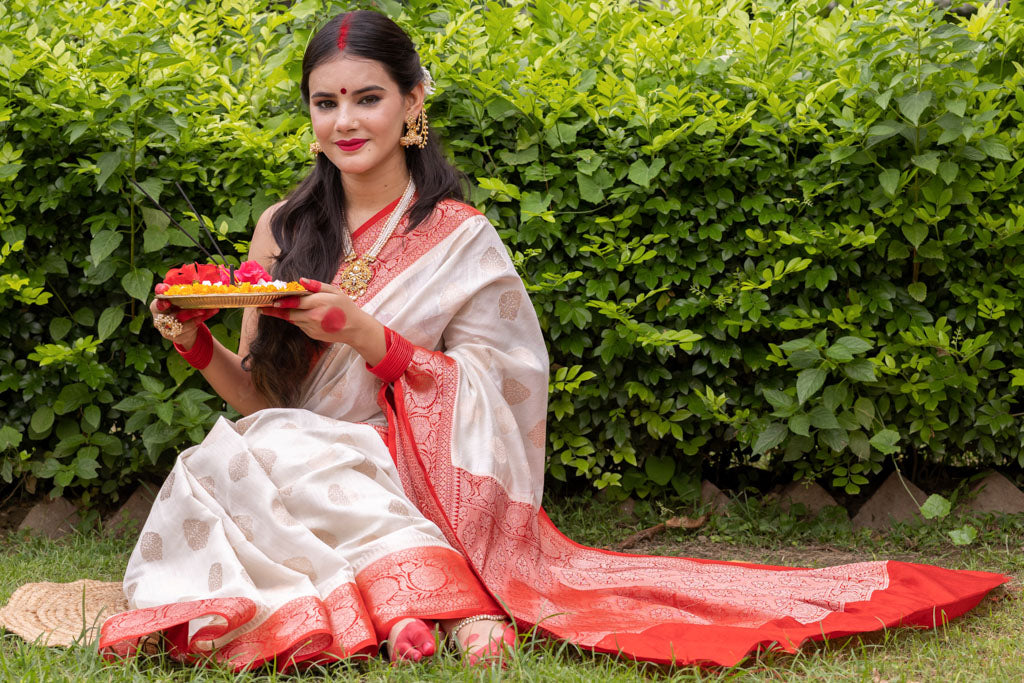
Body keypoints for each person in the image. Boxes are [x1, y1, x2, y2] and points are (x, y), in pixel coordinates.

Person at [101, 9, 1008, 672]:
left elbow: (505, 387)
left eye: (368, 98)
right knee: (241, 447)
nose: (345, 121)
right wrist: (196, 348)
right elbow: (267, 403)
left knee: (274, 460)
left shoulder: (459, 235)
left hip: (412, 474)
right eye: (325, 102)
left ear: (413, 103)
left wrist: (375, 339)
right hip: (303, 457)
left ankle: (427, 598)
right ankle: (441, 608)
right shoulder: (280, 231)